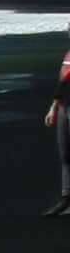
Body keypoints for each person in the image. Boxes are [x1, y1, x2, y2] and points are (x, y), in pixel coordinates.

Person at [46, 46, 70, 216]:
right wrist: (54, 107)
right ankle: (66, 199)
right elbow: (62, 82)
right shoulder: (68, 54)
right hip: (64, 106)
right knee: (66, 155)